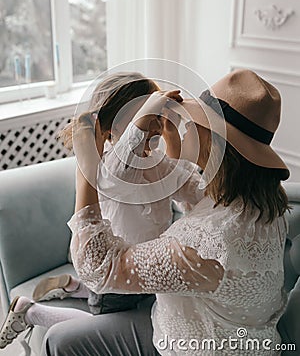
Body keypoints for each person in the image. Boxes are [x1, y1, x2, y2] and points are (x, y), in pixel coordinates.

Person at [38, 68, 290, 356]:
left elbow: (99, 268)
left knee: (61, 339)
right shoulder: (261, 205)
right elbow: (190, 188)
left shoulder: (203, 241)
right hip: (236, 334)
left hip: (194, 341)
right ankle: (66, 293)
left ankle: (60, 296)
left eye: (195, 122)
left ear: (215, 142)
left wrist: (84, 168)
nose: (182, 126)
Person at [0, 72, 203, 352]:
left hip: (145, 266)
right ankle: (30, 310)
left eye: (156, 119)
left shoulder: (156, 163)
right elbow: (125, 159)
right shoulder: (107, 168)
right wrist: (147, 115)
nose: (151, 128)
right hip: (112, 268)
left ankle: (74, 286)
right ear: (110, 129)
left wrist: (171, 134)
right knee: (99, 321)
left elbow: (184, 181)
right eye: (141, 120)